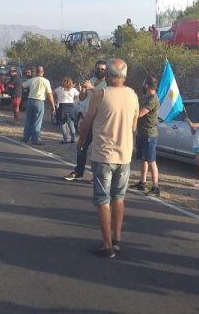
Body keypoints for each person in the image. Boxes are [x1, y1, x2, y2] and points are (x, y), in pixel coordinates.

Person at [77, 58, 139, 258]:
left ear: (109, 75)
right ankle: (117, 238)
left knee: (103, 200)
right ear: (124, 75)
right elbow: (134, 124)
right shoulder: (132, 95)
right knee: (119, 198)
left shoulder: (100, 94)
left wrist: (81, 141)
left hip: (104, 154)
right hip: (125, 155)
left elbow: (87, 122)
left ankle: (107, 245)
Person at [64, 60, 108, 181]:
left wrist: (92, 88)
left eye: (103, 69)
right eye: (98, 68)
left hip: (100, 121)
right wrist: (83, 89)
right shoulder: (91, 81)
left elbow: (104, 97)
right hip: (88, 118)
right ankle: (79, 172)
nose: (100, 71)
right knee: (82, 144)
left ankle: (98, 176)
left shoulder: (107, 84)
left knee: (98, 150)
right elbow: (83, 98)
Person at [132, 76, 160, 196]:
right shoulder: (147, 97)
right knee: (143, 160)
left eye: (144, 83)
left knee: (151, 161)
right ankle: (143, 183)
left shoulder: (152, 99)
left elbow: (140, 113)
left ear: (147, 85)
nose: (142, 85)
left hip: (149, 134)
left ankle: (156, 187)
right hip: (142, 133)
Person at [22, 65, 55, 145]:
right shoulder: (46, 81)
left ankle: (26, 137)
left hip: (30, 101)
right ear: (43, 72)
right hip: (39, 101)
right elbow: (49, 94)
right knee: (37, 121)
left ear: (36, 72)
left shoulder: (32, 80)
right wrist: (53, 105)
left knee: (28, 120)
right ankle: (35, 139)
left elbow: (23, 85)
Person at [54, 77, 80, 144]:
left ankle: (65, 139)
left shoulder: (60, 89)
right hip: (71, 106)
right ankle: (73, 139)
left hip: (62, 106)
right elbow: (78, 95)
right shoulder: (73, 89)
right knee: (71, 123)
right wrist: (74, 100)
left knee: (62, 123)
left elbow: (53, 92)